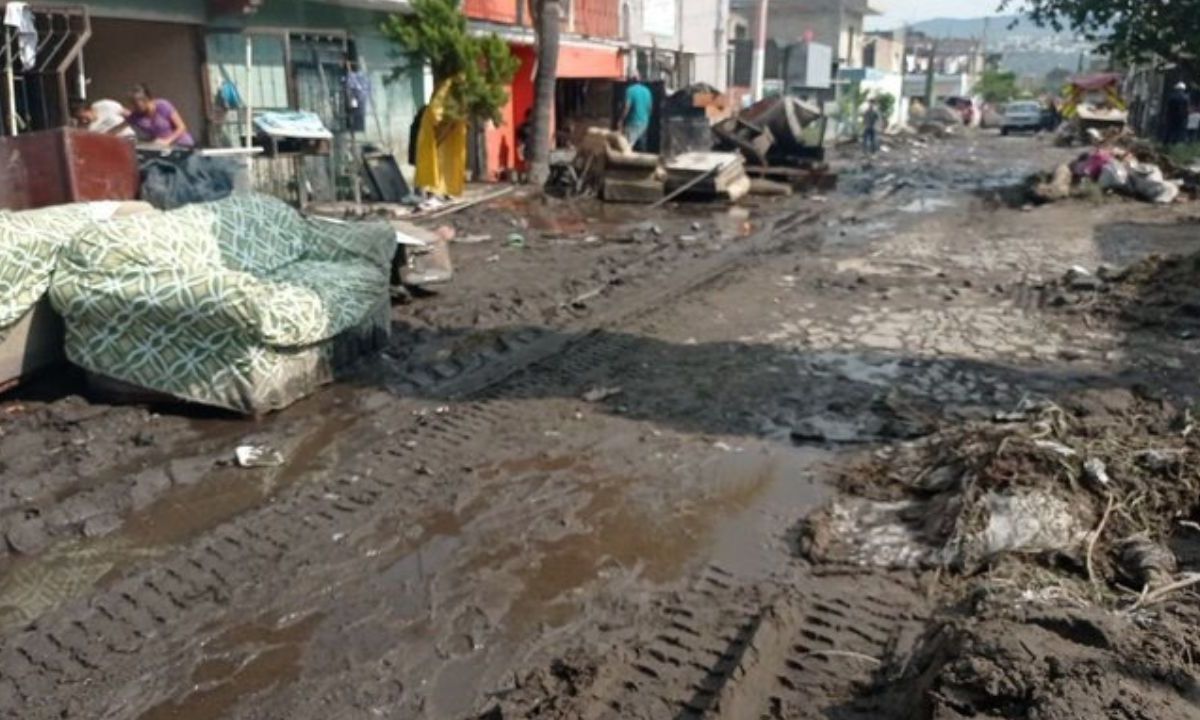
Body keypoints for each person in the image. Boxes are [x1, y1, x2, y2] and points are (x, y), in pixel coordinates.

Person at [119, 84, 195, 148]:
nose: (134, 107)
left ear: (146, 100)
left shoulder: (163, 105)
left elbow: (181, 127)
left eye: (136, 104)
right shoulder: (136, 115)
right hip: (161, 149)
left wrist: (167, 141)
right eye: (132, 104)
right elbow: (119, 128)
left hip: (181, 145)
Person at [620, 73, 653, 151]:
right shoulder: (647, 91)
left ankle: (628, 162)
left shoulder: (630, 90)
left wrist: (621, 119)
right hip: (644, 122)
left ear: (631, 81)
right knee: (642, 146)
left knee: (628, 146)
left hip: (633, 122)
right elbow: (650, 108)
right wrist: (646, 119)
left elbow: (627, 107)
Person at [70, 98, 135, 138]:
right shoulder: (82, 128)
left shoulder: (105, 105)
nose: (83, 121)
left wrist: (116, 129)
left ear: (89, 109)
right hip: (109, 146)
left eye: (84, 117)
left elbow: (131, 116)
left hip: (127, 138)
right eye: (79, 119)